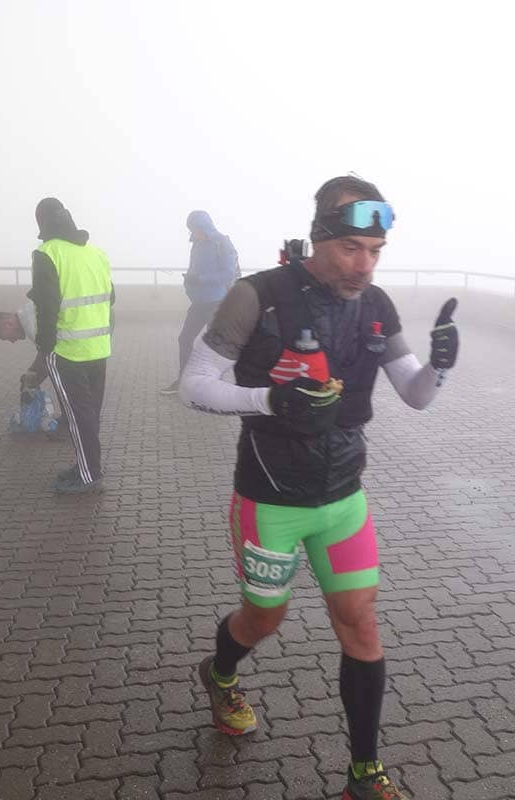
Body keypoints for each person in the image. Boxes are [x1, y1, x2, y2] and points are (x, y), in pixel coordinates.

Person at [179, 176, 459, 800]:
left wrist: (439, 367)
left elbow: (416, 396)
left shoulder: (376, 304)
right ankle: (220, 673)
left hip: (343, 499)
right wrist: (271, 399)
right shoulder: (257, 296)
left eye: (375, 251)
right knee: (264, 619)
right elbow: (193, 386)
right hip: (270, 499)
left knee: (360, 625)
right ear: (319, 237)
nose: (364, 265)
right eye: (351, 248)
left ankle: (364, 774)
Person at [22, 197, 114, 494]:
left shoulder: (47, 253)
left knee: (77, 415)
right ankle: (86, 466)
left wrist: (45, 345)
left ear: (41, 222)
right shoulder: (96, 253)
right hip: (98, 348)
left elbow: (47, 306)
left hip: (66, 350)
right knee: (89, 413)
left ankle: (88, 475)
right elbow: (110, 297)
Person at [160, 210, 238, 394]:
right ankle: (183, 381)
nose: (194, 233)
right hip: (198, 302)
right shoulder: (196, 244)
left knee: (214, 346)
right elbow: (193, 269)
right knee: (184, 339)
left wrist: (201, 279)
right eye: (191, 229)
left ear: (205, 227)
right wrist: (189, 282)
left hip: (216, 303)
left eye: (196, 229)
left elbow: (229, 273)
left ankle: (213, 386)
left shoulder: (222, 242)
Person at [0, 303, 68, 439]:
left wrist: (32, 381)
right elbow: (44, 352)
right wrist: (31, 374)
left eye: (5, 338)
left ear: (7, 324)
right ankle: (71, 419)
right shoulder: (28, 313)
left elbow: (50, 357)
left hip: (82, 343)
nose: (12, 341)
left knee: (65, 382)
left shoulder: (32, 326)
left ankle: (74, 424)